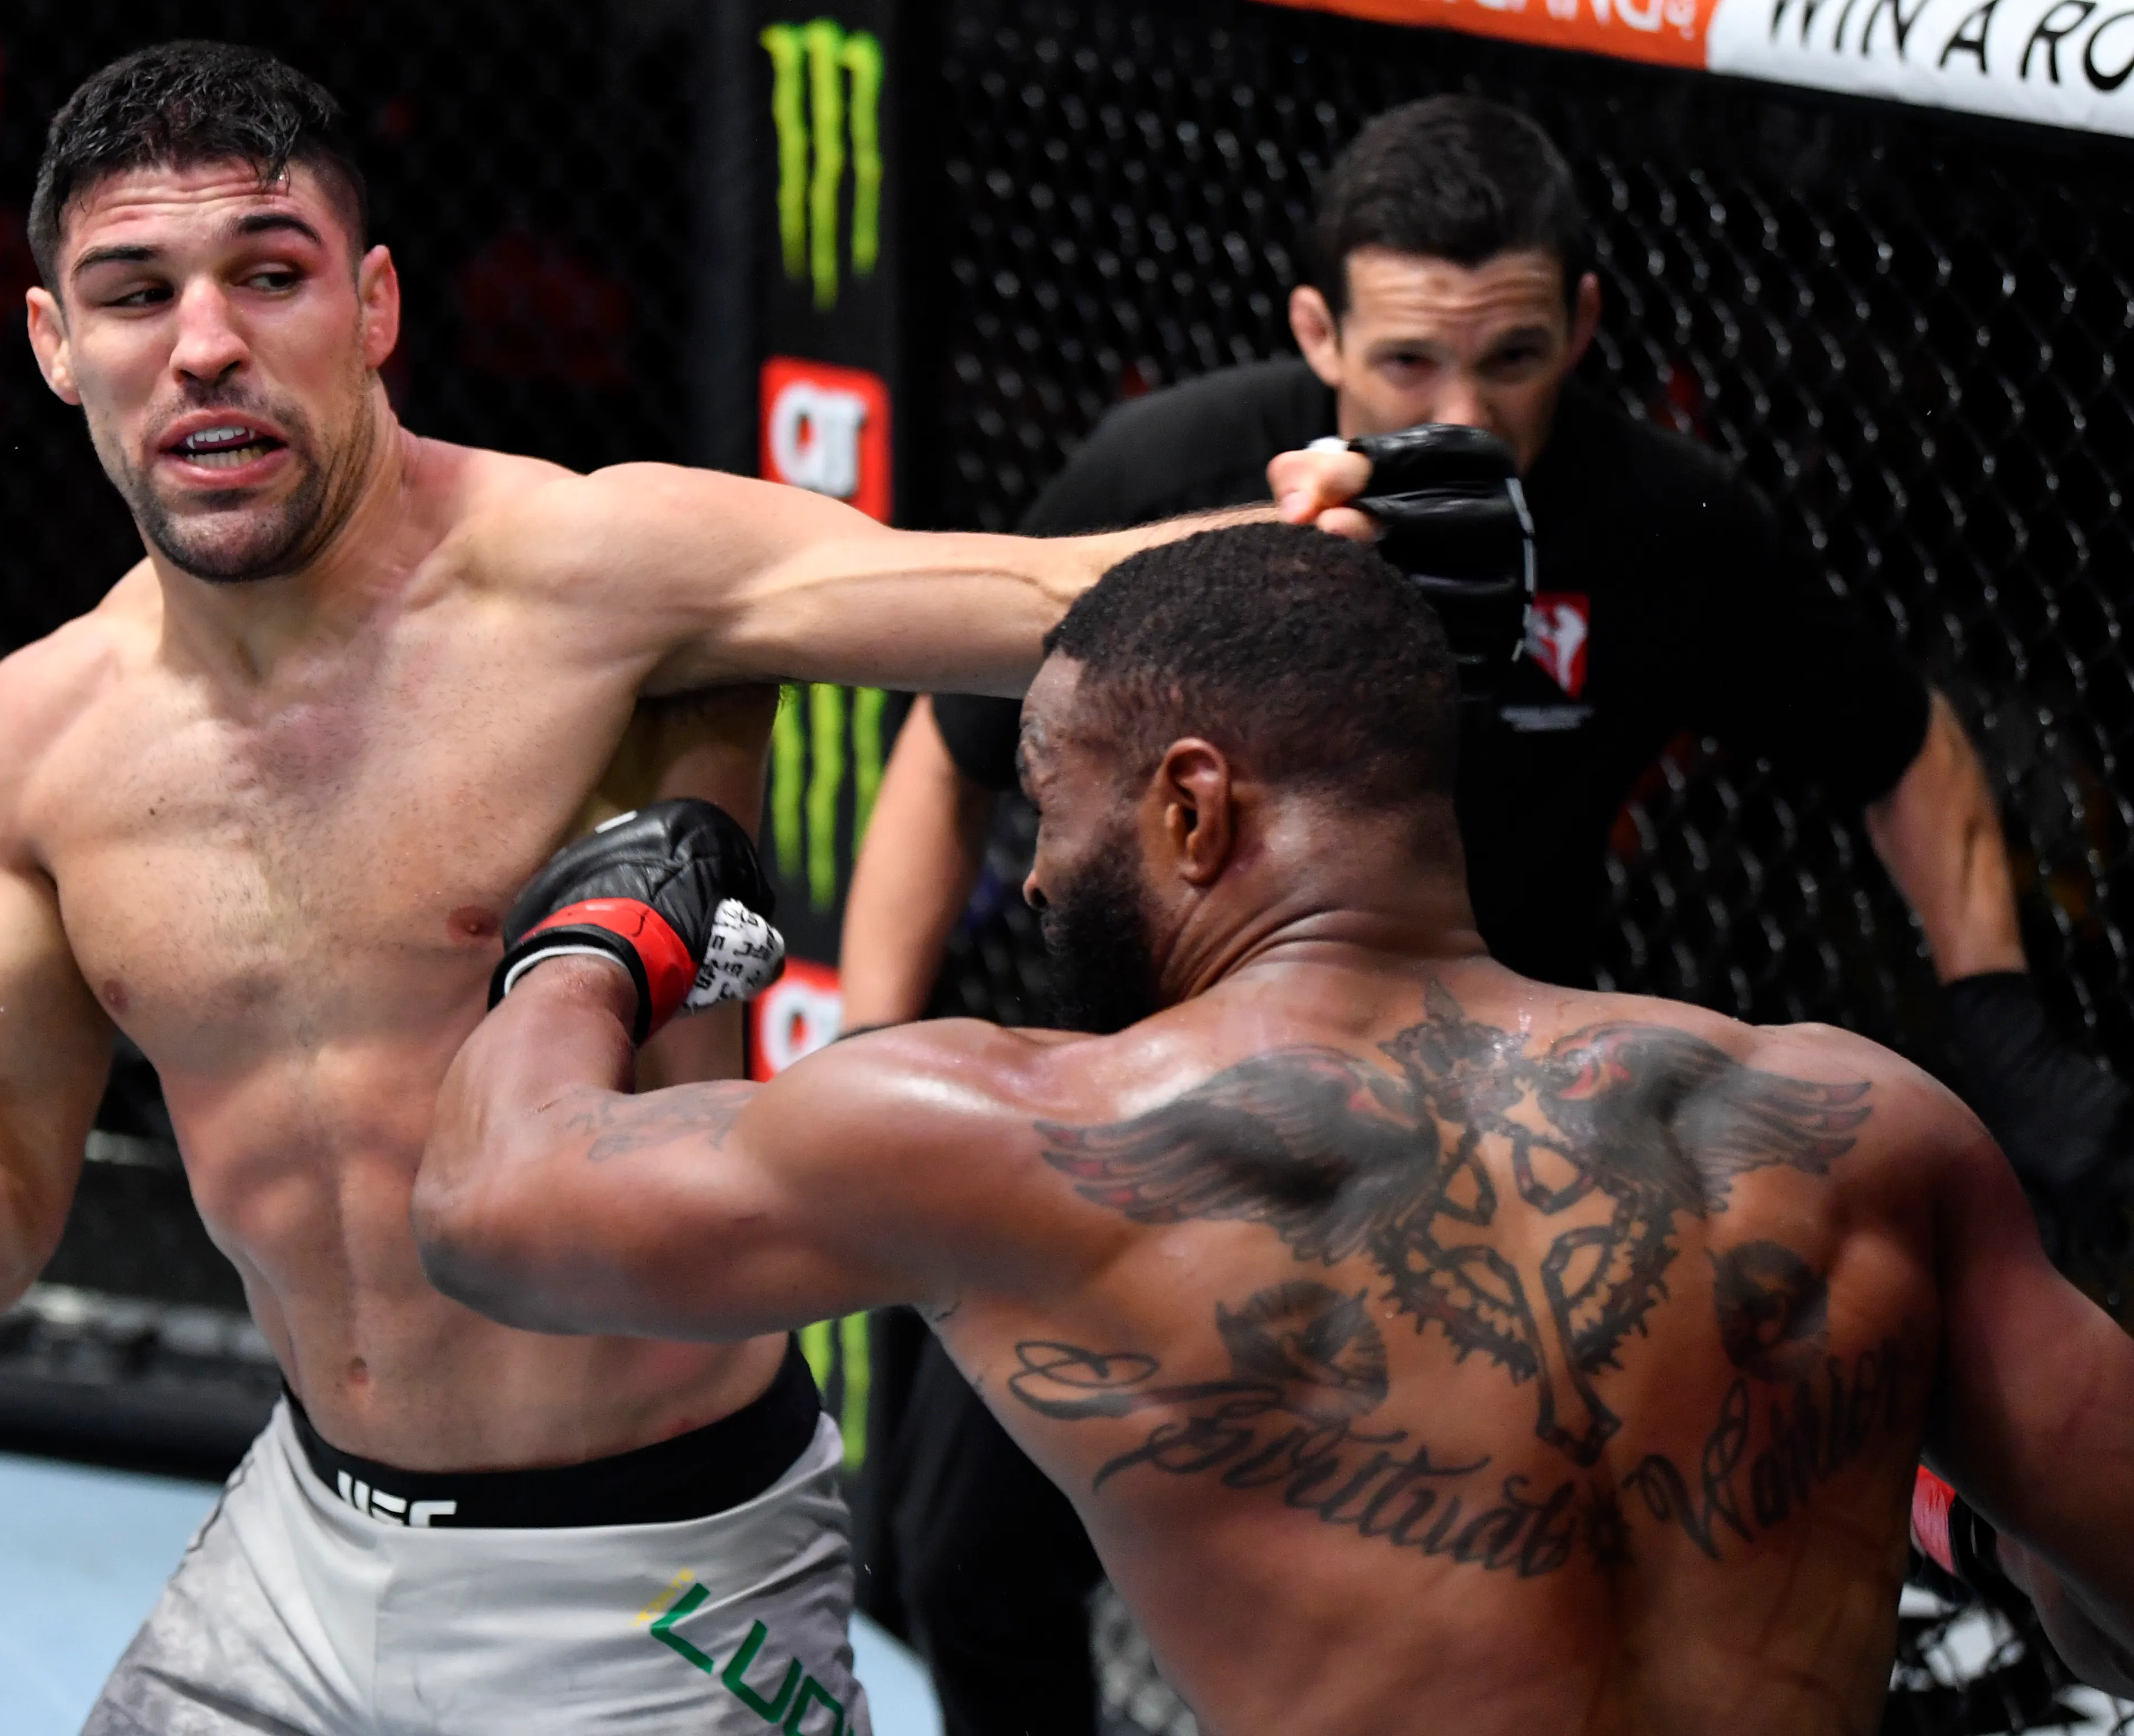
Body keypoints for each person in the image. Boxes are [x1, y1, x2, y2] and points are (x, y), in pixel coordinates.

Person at [0, 42, 1376, 1736]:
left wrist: (1334, 535)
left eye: (268, 276)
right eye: (137, 296)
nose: (204, 345)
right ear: (56, 346)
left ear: (372, 308)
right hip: (296, 1547)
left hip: (654, 1580)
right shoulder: (38, 741)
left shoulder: (610, 578)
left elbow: (1055, 600)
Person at [832, 93, 2131, 1732]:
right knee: (965, 1561)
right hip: (1145, 1118)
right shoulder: (1174, 477)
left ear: (1586, 323)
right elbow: (949, 755)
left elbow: (1898, 740)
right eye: (1407, 365)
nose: (1464, 409)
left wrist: (1994, 1001)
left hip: (1511, 1137)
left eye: (1512, 358)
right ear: (1318, 330)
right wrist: (878, 1044)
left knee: (1509, 1568)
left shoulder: (1664, 521)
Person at [412, 521, 2134, 1735]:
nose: (1033, 867)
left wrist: (593, 939)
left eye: (1055, 802)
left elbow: (495, 1205)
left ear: (1189, 801)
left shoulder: (1011, 1137)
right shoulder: (1856, 1123)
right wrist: (1978, 1541)